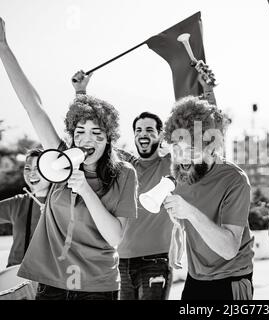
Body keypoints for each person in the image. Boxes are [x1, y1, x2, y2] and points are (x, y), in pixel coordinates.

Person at [0, 18, 138, 300]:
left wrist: (85, 190)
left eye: (96, 132)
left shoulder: (124, 174)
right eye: (80, 132)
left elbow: (116, 238)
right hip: (50, 285)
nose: (87, 140)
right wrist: (3, 46)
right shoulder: (59, 158)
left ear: (109, 137)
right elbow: (33, 106)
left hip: (97, 289)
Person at [71, 71, 173, 300]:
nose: (142, 135)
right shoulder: (125, 165)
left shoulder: (170, 164)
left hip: (155, 262)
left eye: (149, 130)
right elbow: (92, 138)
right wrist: (81, 92)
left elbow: (195, 145)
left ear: (160, 135)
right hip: (120, 261)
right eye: (138, 130)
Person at [162, 96, 254, 300]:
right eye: (177, 149)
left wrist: (190, 213)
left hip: (231, 280)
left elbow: (229, 249)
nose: (183, 157)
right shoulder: (182, 173)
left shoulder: (235, 180)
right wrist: (177, 234)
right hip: (195, 279)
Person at [0, 148, 50, 268]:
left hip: (48, 277)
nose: (31, 173)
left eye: (38, 169)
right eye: (27, 168)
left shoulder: (63, 202)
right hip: (15, 274)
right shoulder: (18, 202)